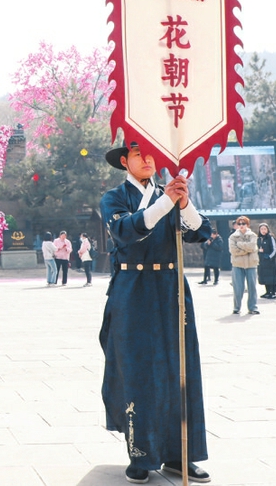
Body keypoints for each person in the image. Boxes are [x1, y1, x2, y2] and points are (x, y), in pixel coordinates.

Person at [99, 141, 212, 484]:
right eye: (138, 154)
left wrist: (185, 202)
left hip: (172, 287)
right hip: (133, 289)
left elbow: (201, 231)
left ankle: (181, 455)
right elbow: (126, 231)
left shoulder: (171, 192)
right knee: (138, 370)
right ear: (125, 161)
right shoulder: (114, 198)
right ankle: (141, 455)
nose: (148, 160)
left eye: (152, 155)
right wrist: (166, 201)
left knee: (182, 369)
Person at [229, 215, 260, 316]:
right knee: (238, 287)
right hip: (238, 265)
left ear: (247, 224)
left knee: (252, 287)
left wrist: (240, 245)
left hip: (251, 264)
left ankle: (253, 307)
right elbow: (233, 250)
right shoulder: (233, 237)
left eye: (244, 223)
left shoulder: (253, 235)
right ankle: (236, 307)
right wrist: (246, 251)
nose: (241, 225)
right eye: (239, 224)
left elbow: (252, 247)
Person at [257, 223, 276, 299]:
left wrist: (269, 257)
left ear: (267, 229)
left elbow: (275, 249)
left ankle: (273, 292)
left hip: (270, 262)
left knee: (271, 277)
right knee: (264, 277)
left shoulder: (270, 238)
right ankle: (267, 292)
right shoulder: (259, 239)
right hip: (262, 262)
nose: (263, 231)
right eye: (261, 229)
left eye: (264, 229)